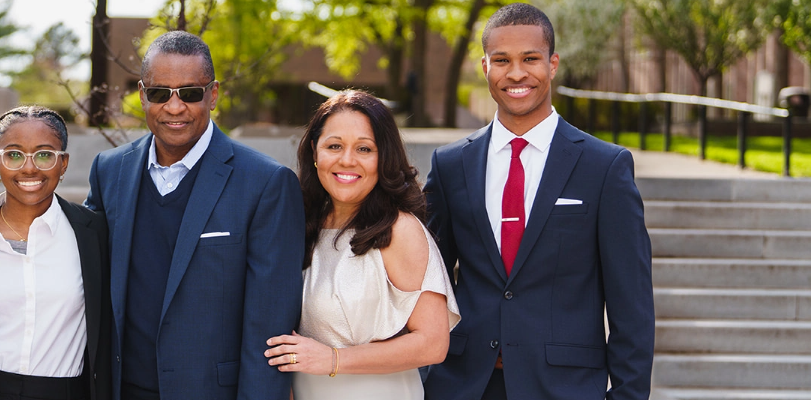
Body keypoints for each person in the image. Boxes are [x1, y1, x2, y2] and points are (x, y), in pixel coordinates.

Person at [0, 31, 304, 400]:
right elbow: (74, 240)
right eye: (160, 93)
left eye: (191, 93)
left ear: (213, 94)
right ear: (142, 95)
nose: (174, 107)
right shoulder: (111, 169)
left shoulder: (266, 184)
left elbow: (270, 331)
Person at [420, 3, 654, 400]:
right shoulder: (451, 164)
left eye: (530, 59)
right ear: (485, 67)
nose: (516, 73)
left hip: (563, 388)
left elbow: (631, 301)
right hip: (463, 385)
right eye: (502, 60)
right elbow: (424, 278)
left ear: (553, 64)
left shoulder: (604, 167)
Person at [262, 91, 460, 399]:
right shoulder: (295, 224)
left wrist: (333, 359)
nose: (347, 160)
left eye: (364, 148)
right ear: (315, 151)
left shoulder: (400, 230)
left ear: (384, 157)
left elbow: (433, 344)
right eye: (334, 146)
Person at [0, 106, 111, 400]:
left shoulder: (95, 235)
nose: (29, 168)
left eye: (44, 155)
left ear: (63, 163)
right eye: (14, 155)